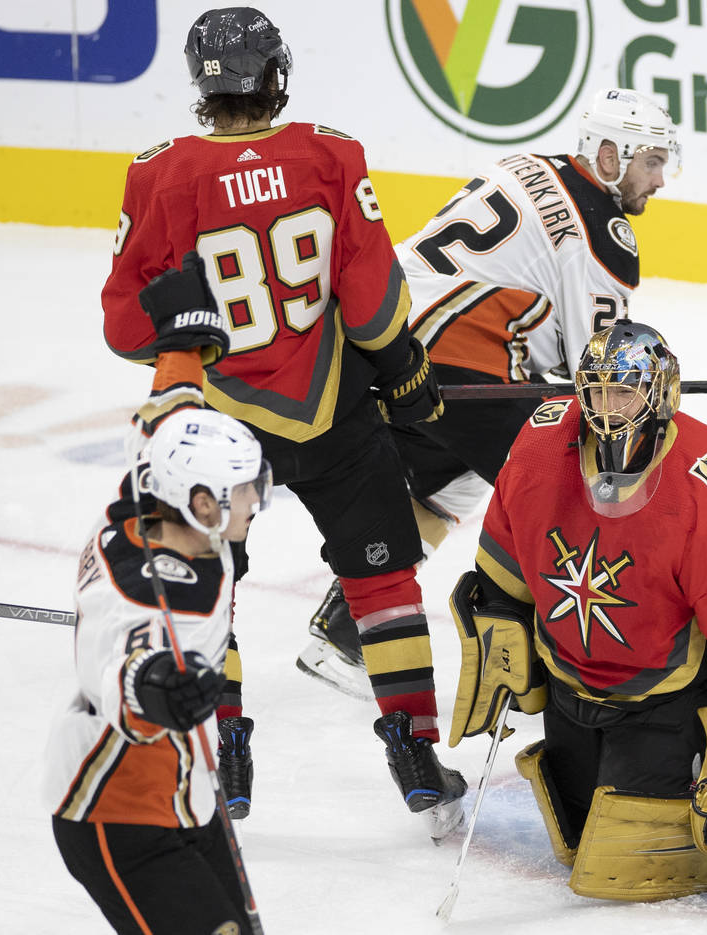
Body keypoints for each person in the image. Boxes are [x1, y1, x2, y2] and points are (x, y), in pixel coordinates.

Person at [99, 7, 465, 840]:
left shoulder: (159, 175)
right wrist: (403, 368)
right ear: (274, 74)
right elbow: (370, 306)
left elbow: (125, 326)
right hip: (333, 408)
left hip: (219, 426)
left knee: (206, 579)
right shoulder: (332, 155)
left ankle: (223, 749)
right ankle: (414, 750)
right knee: (382, 580)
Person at [444, 320, 707, 900]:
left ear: (661, 393)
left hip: (667, 697)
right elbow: (502, 563)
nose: (607, 409)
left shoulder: (705, 479)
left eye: (623, 392)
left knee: (628, 859)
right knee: (576, 839)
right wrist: (500, 632)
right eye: (596, 391)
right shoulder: (541, 445)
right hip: (571, 686)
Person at [296, 87, 682, 696]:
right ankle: (603, 659)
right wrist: (651, 406)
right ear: (610, 156)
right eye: (652, 162)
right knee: (582, 481)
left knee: (450, 483)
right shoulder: (603, 233)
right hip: (454, 360)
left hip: (380, 332)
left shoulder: (527, 165)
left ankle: (345, 636)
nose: (660, 180)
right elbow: (597, 369)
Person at [45, 409, 271, 934]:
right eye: (243, 489)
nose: (256, 501)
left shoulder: (135, 509)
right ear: (202, 502)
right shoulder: (155, 601)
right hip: (117, 811)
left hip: (184, 795)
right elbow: (124, 674)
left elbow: (152, 443)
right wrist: (156, 687)